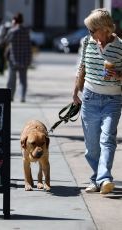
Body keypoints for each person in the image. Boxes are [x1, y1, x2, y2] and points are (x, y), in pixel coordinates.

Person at [72, 8, 122, 194]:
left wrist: (117, 74)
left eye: (93, 30)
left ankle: (105, 178)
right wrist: (75, 92)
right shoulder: (87, 42)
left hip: (113, 100)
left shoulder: (120, 46)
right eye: (89, 30)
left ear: (105, 29)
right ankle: (97, 179)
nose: (90, 33)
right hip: (90, 98)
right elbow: (81, 67)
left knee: (107, 139)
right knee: (91, 147)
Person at [5, 13, 32, 102]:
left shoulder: (12, 31)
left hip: (13, 59)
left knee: (11, 80)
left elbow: (6, 40)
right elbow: (29, 46)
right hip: (24, 59)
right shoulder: (26, 31)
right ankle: (22, 97)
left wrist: (11, 27)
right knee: (23, 80)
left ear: (14, 21)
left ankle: (10, 96)